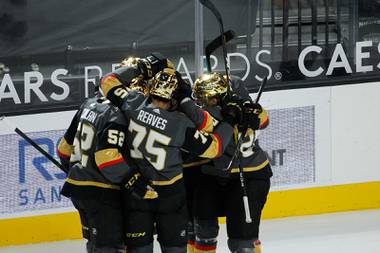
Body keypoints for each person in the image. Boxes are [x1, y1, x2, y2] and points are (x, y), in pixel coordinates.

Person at [99, 66, 238, 253]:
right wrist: (229, 121)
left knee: (139, 250)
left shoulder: (132, 102)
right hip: (170, 194)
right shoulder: (180, 123)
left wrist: (140, 66)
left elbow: (108, 80)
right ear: (174, 98)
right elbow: (215, 148)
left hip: (138, 191)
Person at [57, 87, 156, 253]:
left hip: (78, 188)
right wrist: (136, 183)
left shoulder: (87, 104)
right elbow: (108, 159)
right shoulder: (116, 114)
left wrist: (76, 168)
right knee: (108, 247)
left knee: (94, 241)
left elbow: (63, 149)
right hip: (101, 192)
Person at [187, 72, 272, 253]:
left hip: (247, 177)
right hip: (223, 174)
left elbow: (198, 122)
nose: (199, 102)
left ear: (216, 99)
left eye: (203, 98)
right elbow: (264, 120)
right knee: (230, 236)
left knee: (241, 238)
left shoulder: (212, 114)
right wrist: (247, 107)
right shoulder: (250, 109)